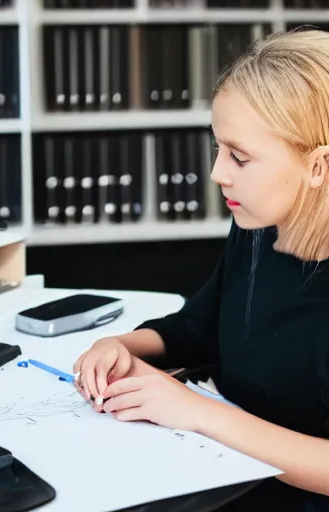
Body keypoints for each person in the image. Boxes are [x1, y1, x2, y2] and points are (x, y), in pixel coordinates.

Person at [73, 28, 329, 511]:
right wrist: (119, 346)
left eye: (239, 156)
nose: (217, 173)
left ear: (318, 166)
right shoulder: (259, 225)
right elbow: (197, 328)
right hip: (221, 471)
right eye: (218, 148)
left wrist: (197, 413)